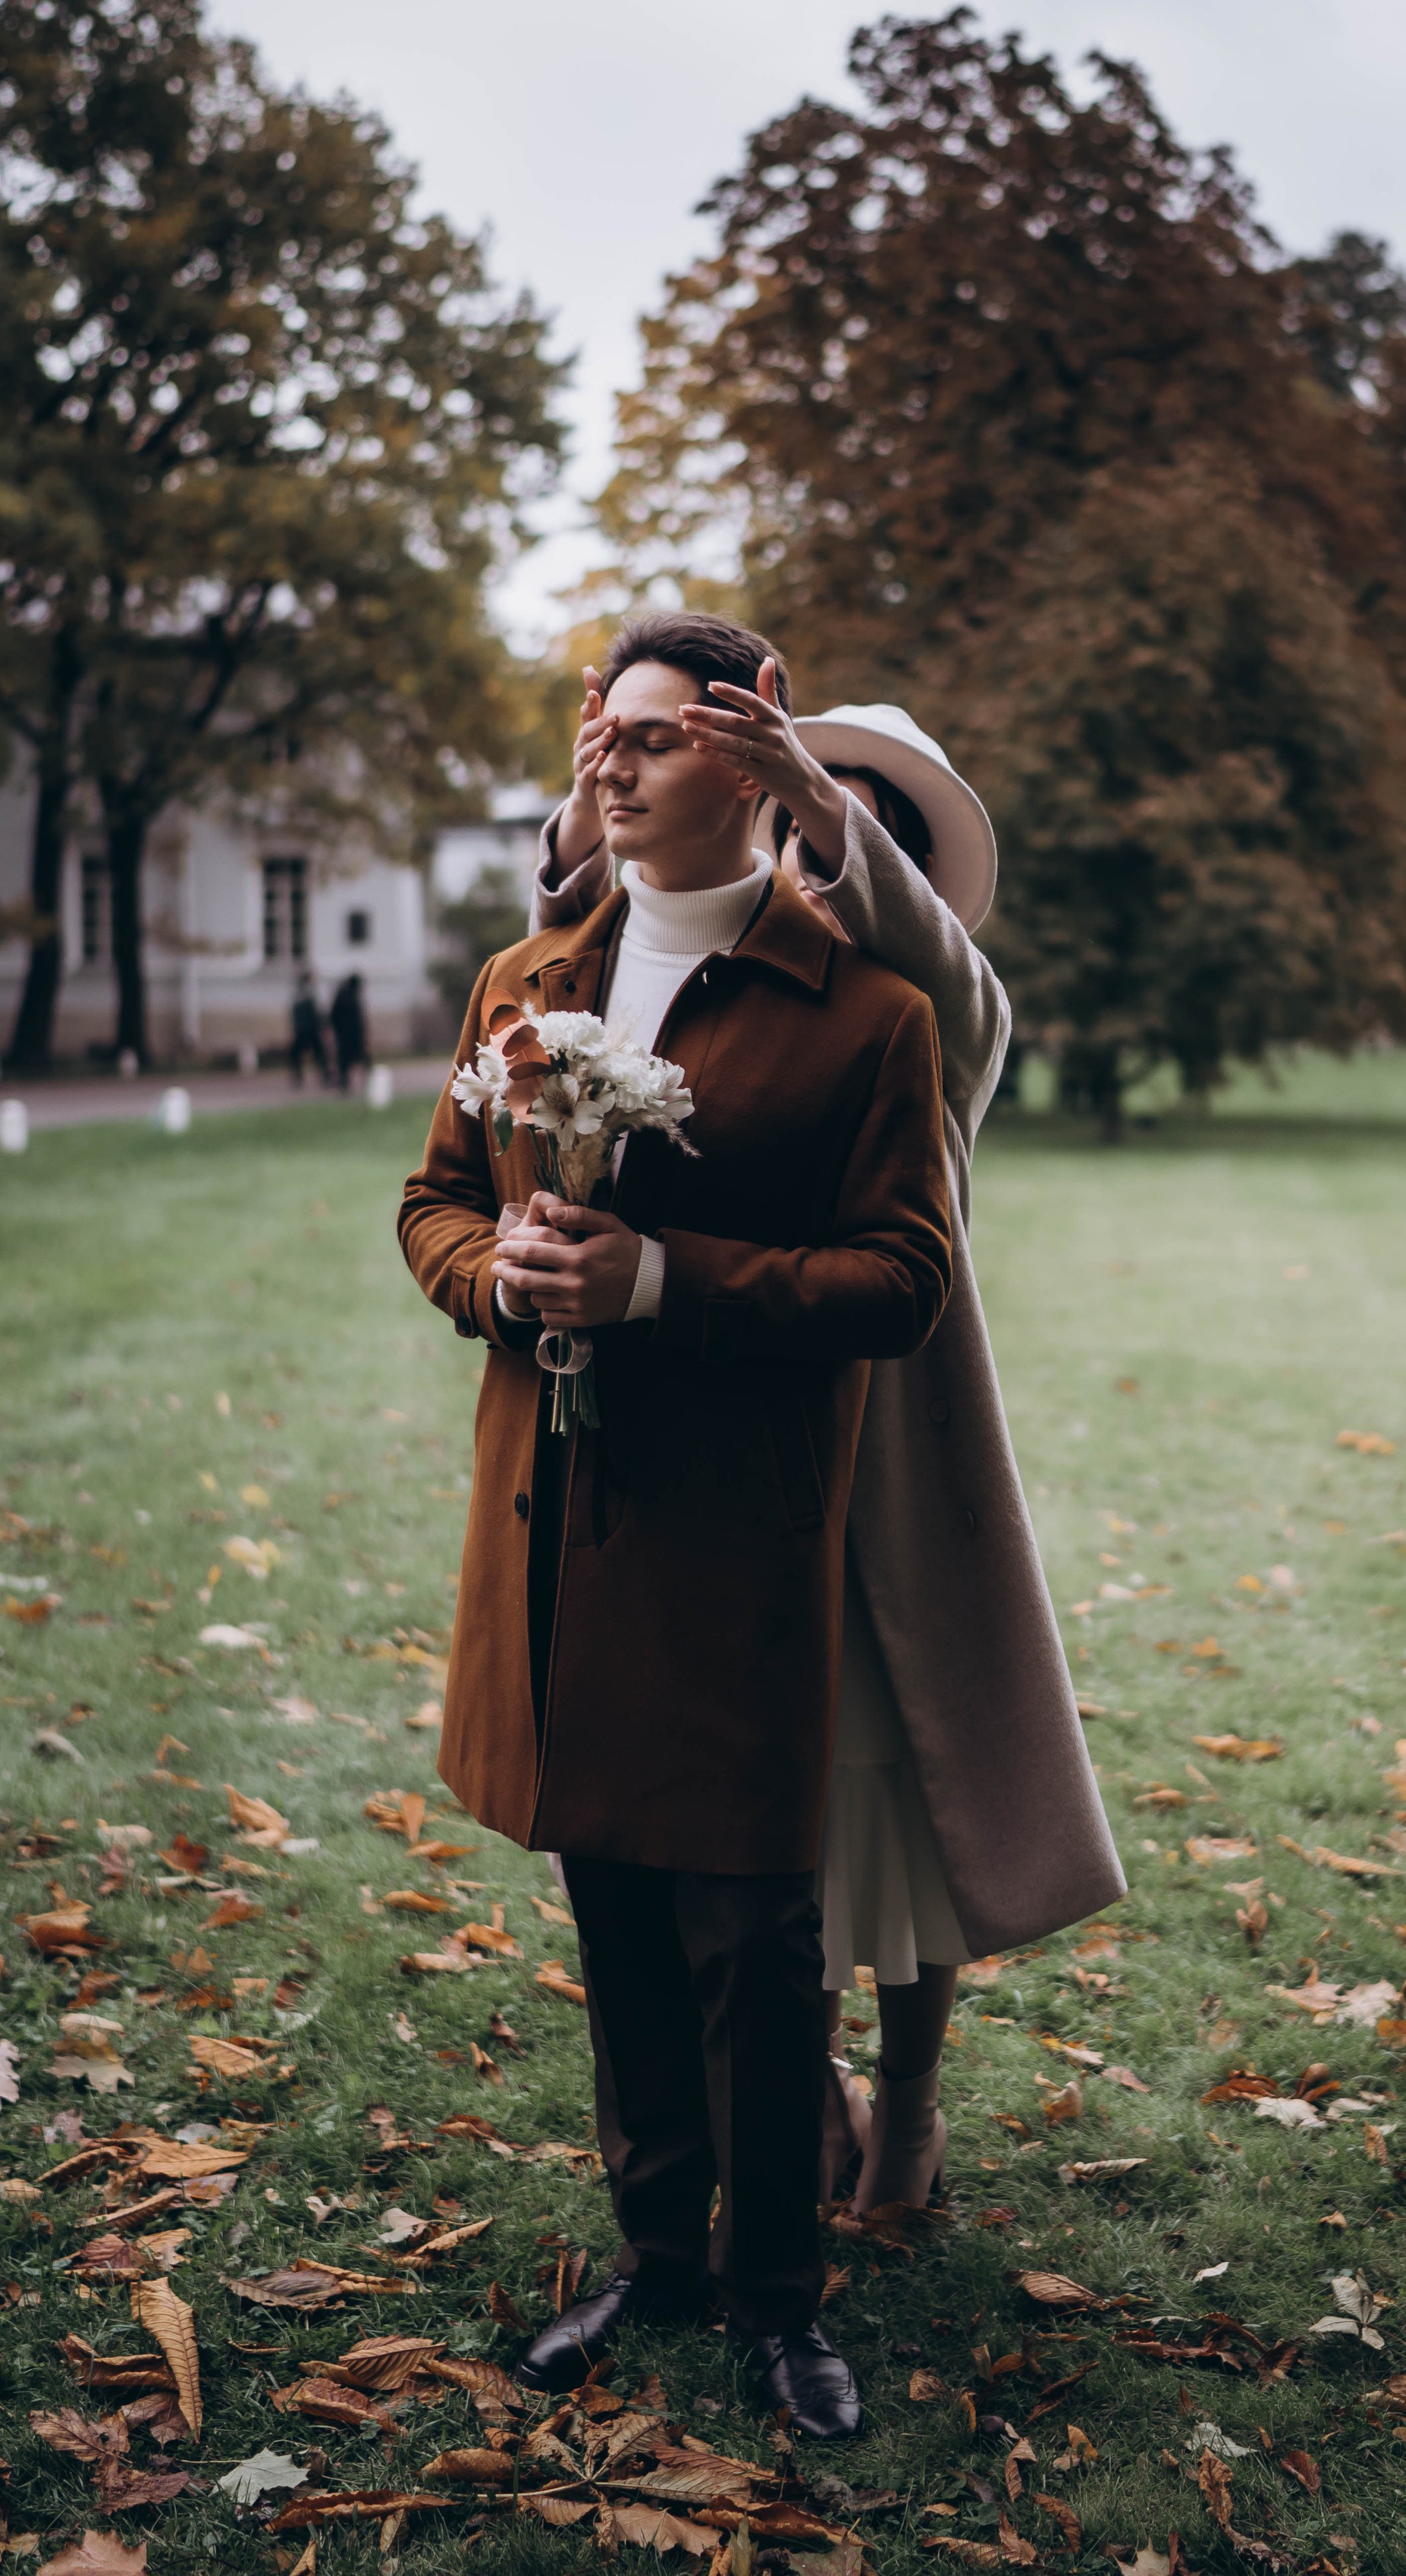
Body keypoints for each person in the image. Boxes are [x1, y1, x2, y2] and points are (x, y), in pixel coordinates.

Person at [398, 612, 956, 2440]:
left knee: (754, 1937)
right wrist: (504, 1278)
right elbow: (425, 1204)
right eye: (595, 735)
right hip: (553, 1519)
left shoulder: (866, 1015)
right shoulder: (521, 980)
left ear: (747, 749)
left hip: (736, 1538)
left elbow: (898, 1282)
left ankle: (784, 2300)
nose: (604, 762)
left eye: (644, 735)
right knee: (614, 1909)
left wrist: (662, 1285)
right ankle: (656, 2252)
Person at [532, 659, 1125, 2214]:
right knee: (746, 1821)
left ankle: (912, 2101)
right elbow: (604, 922)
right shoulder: (742, 975)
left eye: (848, 830)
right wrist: (608, 766)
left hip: (896, 1472)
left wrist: (804, 785)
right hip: (721, 1440)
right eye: (798, 818)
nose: (810, 849)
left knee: (902, 1813)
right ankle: (801, 2103)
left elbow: (954, 984)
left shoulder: (939, 1009)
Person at [328, 971, 369, 1090]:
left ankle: (345, 1081)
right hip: (352, 1035)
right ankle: (368, 1079)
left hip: (343, 1034)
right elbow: (358, 1018)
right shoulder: (352, 996)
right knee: (360, 1057)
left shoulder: (342, 994)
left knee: (345, 1059)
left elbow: (333, 1015)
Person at [289, 970, 328, 1086]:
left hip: (304, 1030)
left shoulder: (300, 994)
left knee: (301, 1055)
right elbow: (316, 1013)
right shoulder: (308, 994)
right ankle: (322, 1076)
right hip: (308, 1030)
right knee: (318, 1054)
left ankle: (300, 1078)